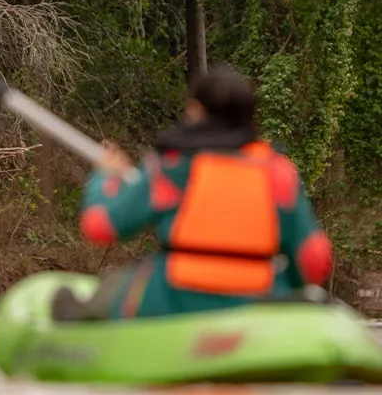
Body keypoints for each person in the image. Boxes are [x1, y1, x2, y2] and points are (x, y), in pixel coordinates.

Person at [51, 66, 333, 322]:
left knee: (111, 287)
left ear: (196, 110)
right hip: (256, 298)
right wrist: (287, 283)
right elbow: (312, 259)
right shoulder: (278, 173)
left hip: (175, 297)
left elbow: (101, 225)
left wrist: (106, 178)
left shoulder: (172, 167)